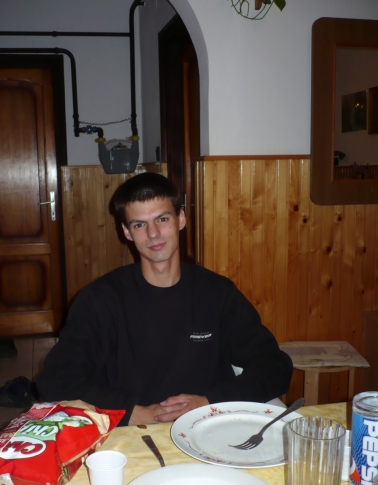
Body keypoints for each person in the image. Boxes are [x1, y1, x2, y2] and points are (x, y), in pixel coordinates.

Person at [37, 173, 292, 426]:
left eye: (162, 219)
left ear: (181, 219)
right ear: (126, 232)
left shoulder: (217, 293)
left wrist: (210, 403)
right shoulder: (99, 300)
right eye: (139, 225)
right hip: (130, 433)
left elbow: (275, 367)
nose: (153, 233)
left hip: (209, 428)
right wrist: (134, 413)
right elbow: (56, 380)